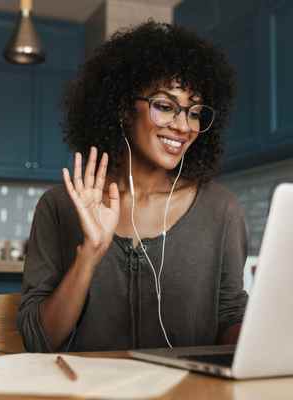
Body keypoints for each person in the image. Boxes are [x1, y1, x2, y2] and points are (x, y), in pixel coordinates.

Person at [18, 20, 248, 352]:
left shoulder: (220, 210)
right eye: (166, 106)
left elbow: (230, 318)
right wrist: (90, 255)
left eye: (195, 112)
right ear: (124, 107)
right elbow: (39, 341)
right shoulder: (60, 206)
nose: (184, 126)